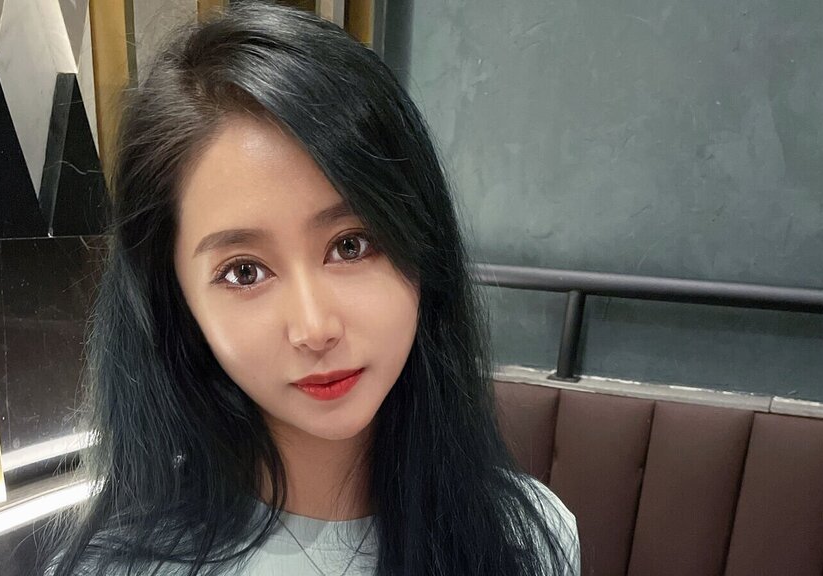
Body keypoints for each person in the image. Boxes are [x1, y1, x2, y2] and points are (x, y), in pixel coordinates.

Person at [43, 1, 580, 574]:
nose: (315, 327)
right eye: (244, 271)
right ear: (176, 300)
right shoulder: (117, 568)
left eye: (351, 245)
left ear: (423, 244)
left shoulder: (528, 539)